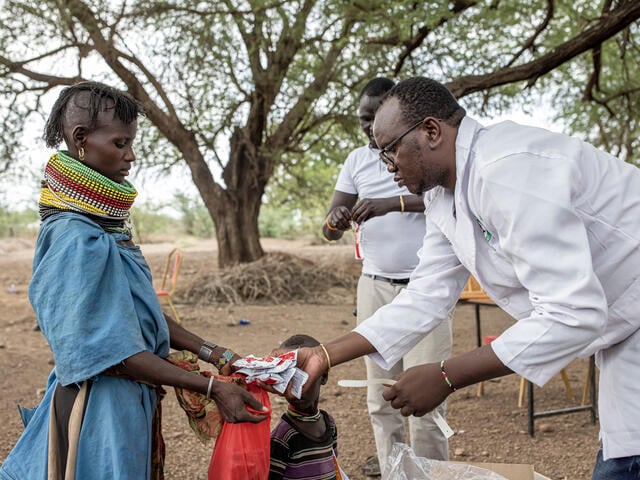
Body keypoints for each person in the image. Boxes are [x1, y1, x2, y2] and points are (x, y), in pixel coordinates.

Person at [290, 76, 640, 480]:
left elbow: (571, 313)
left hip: (626, 313)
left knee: (623, 465)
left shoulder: (506, 171)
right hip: (625, 322)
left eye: (390, 151)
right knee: (624, 456)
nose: (388, 169)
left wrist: (446, 376)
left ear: (431, 131)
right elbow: (426, 295)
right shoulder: (446, 194)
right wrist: (324, 355)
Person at [0, 81, 267, 480]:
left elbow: (137, 313)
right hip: (98, 411)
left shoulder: (102, 228)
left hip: (125, 401)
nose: (131, 155)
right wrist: (211, 387)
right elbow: (114, 353)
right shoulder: (76, 238)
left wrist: (216, 353)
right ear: (81, 140)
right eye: (120, 143)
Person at [322, 77, 452, 475]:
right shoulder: (356, 161)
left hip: (424, 288)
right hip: (375, 286)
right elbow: (328, 227)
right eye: (363, 119)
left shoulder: (423, 157)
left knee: (426, 397)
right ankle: (394, 470)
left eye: (374, 117)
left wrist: (390, 204)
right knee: (381, 396)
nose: (367, 127)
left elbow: (440, 194)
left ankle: (430, 473)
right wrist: (336, 220)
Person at [269, 334, 345, 480]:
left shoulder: (329, 422)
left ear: (323, 377)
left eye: (302, 379)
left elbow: (334, 465)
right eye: (288, 380)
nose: (295, 391)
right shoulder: (283, 435)